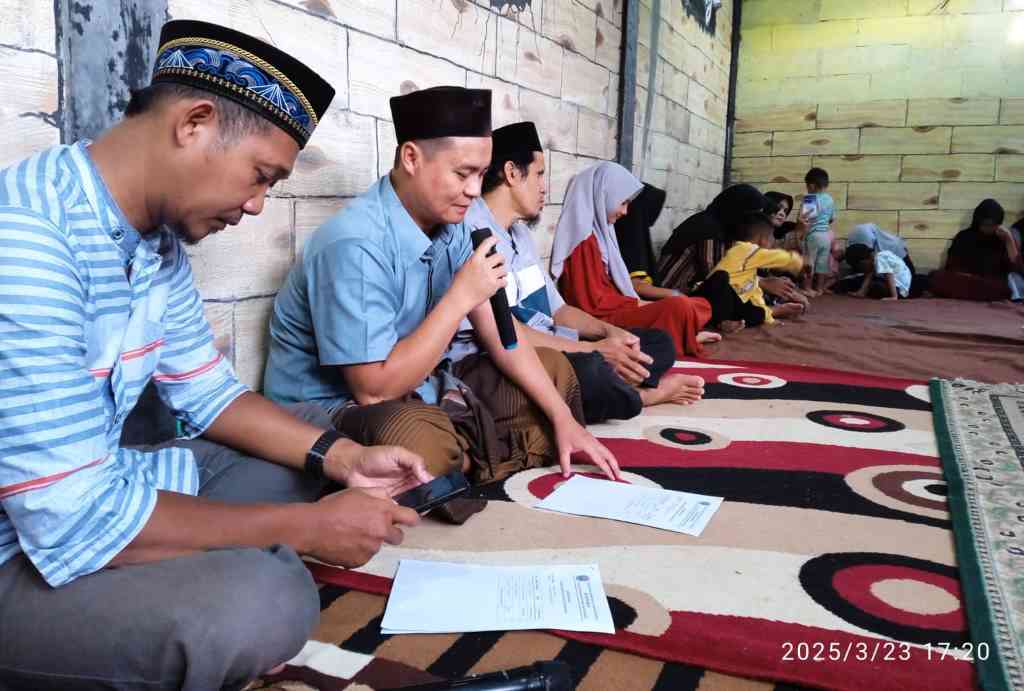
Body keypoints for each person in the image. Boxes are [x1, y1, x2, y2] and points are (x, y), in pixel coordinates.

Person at [0, 20, 433, 691]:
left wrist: (344, 458)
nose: (258, 206)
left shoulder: (154, 240)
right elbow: (71, 517)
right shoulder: (29, 239)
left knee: (292, 466)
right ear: (195, 122)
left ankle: (231, 550)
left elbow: (209, 395)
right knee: (263, 602)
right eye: (261, 176)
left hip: (100, 484)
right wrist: (307, 530)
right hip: (21, 551)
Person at [264, 88, 620, 486]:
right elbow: (374, 392)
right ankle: (473, 456)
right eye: (462, 173)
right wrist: (461, 296)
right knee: (414, 437)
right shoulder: (355, 244)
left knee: (554, 373)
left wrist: (565, 419)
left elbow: (504, 338)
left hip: (421, 389)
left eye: (482, 174)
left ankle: (466, 461)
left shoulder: (456, 225)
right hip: (336, 410)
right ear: (412, 158)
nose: (473, 190)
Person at [448, 122, 704, 424]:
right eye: (540, 174)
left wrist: (609, 333)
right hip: (507, 356)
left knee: (656, 343)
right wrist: (593, 350)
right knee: (592, 372)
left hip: (553, 341)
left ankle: (615, 383)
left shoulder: (521, 236)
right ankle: (644, 395)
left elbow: (558, 309)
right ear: (512, 173)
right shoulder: (473, 236)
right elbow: (508, 336)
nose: (546, 187)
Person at [551, 162, 729, 358]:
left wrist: (641, 304)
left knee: (696, 304)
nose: (625, 212)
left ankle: (683, 332)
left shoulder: (601, 235)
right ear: (604, 196)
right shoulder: (583, 241)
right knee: (679, 306)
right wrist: (639, 305)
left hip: (618, 308)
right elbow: (591, 305)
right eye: (623, 202)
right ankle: (685, 335)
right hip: (603, 321)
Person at [658, 183, 768, 293]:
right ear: (739, 210)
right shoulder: (708, 228)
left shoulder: (725, 227)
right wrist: (762, 283)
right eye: (753, 214)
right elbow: (719, 277)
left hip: (687, 294)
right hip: (668, 296)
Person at [709, 212, 805, 324]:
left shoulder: (749, 269)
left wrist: (769, 318)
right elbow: (778, 257)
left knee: (751, 309)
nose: (773, 242)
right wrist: (799, 262)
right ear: (763, 239)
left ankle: (725, 322)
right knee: (722, 280)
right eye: (772, 237)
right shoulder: (745, 249)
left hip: (725, 306)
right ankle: (723, 321)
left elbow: (756, 296)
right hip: (709, 297)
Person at [930, 199, 1022, 302]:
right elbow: (952, 266)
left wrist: (1009, 240)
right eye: (985, 225)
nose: (988, 229)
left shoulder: (1002, 239)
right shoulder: (964, 236)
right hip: (967, 280)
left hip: (991, 284)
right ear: (978, 222)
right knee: (936, 277)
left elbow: (1015, 267)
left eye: (992, 225)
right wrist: (966, 275)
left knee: (1004, 288)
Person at [760, 191, 810, 310]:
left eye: (785, 211)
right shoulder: (754, 233)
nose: (782, 214)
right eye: (779, 208)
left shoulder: (771, 235)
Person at [800, 167, 836, 297]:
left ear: (811, 185)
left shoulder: (810, 198)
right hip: (825, 236)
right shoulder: (830, 199)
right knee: (822, 264)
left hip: (813, 235)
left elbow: (806, 220)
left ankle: (807, 288)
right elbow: (831, 218)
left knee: (809, 262)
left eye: (807, 186)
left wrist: (802, 234)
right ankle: (819, 289)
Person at [846, 244, 924, 300]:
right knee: (870, 278)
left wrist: (894, 296)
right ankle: (862, 292)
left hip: (899, 290)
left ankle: (893, 295)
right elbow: (869, 275)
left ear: (863, 261)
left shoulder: (880, 258)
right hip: (897, 285)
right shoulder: (876, 259)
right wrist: (861, 292)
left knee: (876, 286)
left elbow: (889, 274)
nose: (862, 270)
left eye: (860, 267)